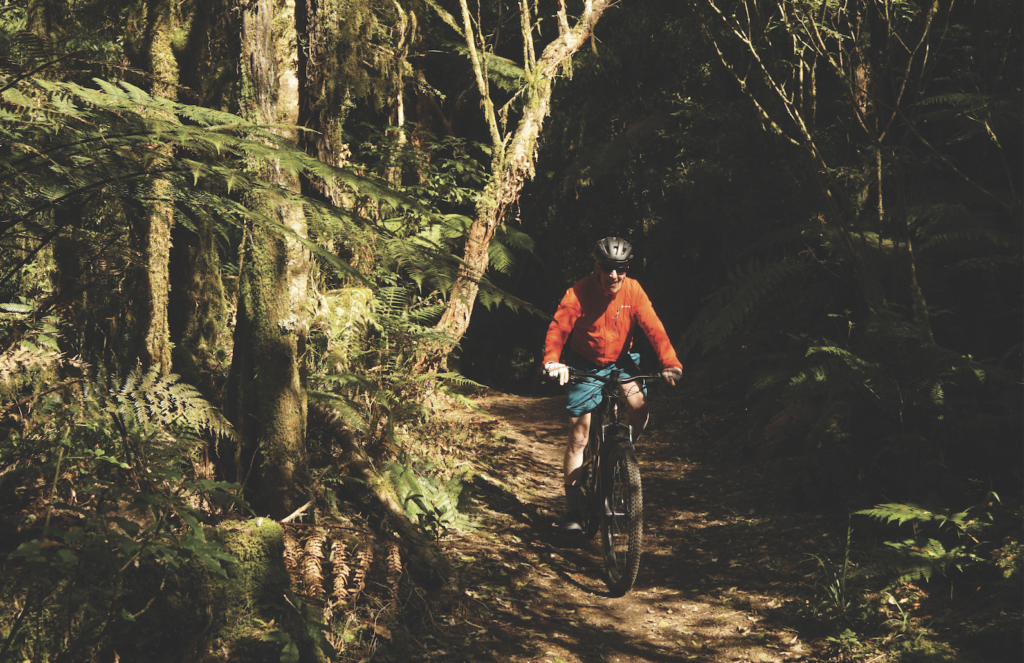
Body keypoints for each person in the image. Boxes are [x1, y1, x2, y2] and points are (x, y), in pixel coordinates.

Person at [543, 236, 683, 533]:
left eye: (620, 269)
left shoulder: (633, 291)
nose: (614, 275)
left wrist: (670, 363)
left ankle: (622, 456)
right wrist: (554, 361)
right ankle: (573, 509)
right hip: (584, 363)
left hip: (621, 361)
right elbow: (559, 326)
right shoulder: (579, 292)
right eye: (607, 268)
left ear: (627, 269)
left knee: (639, 408)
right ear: (597, 267)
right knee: (579, 436)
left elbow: (654, 328)